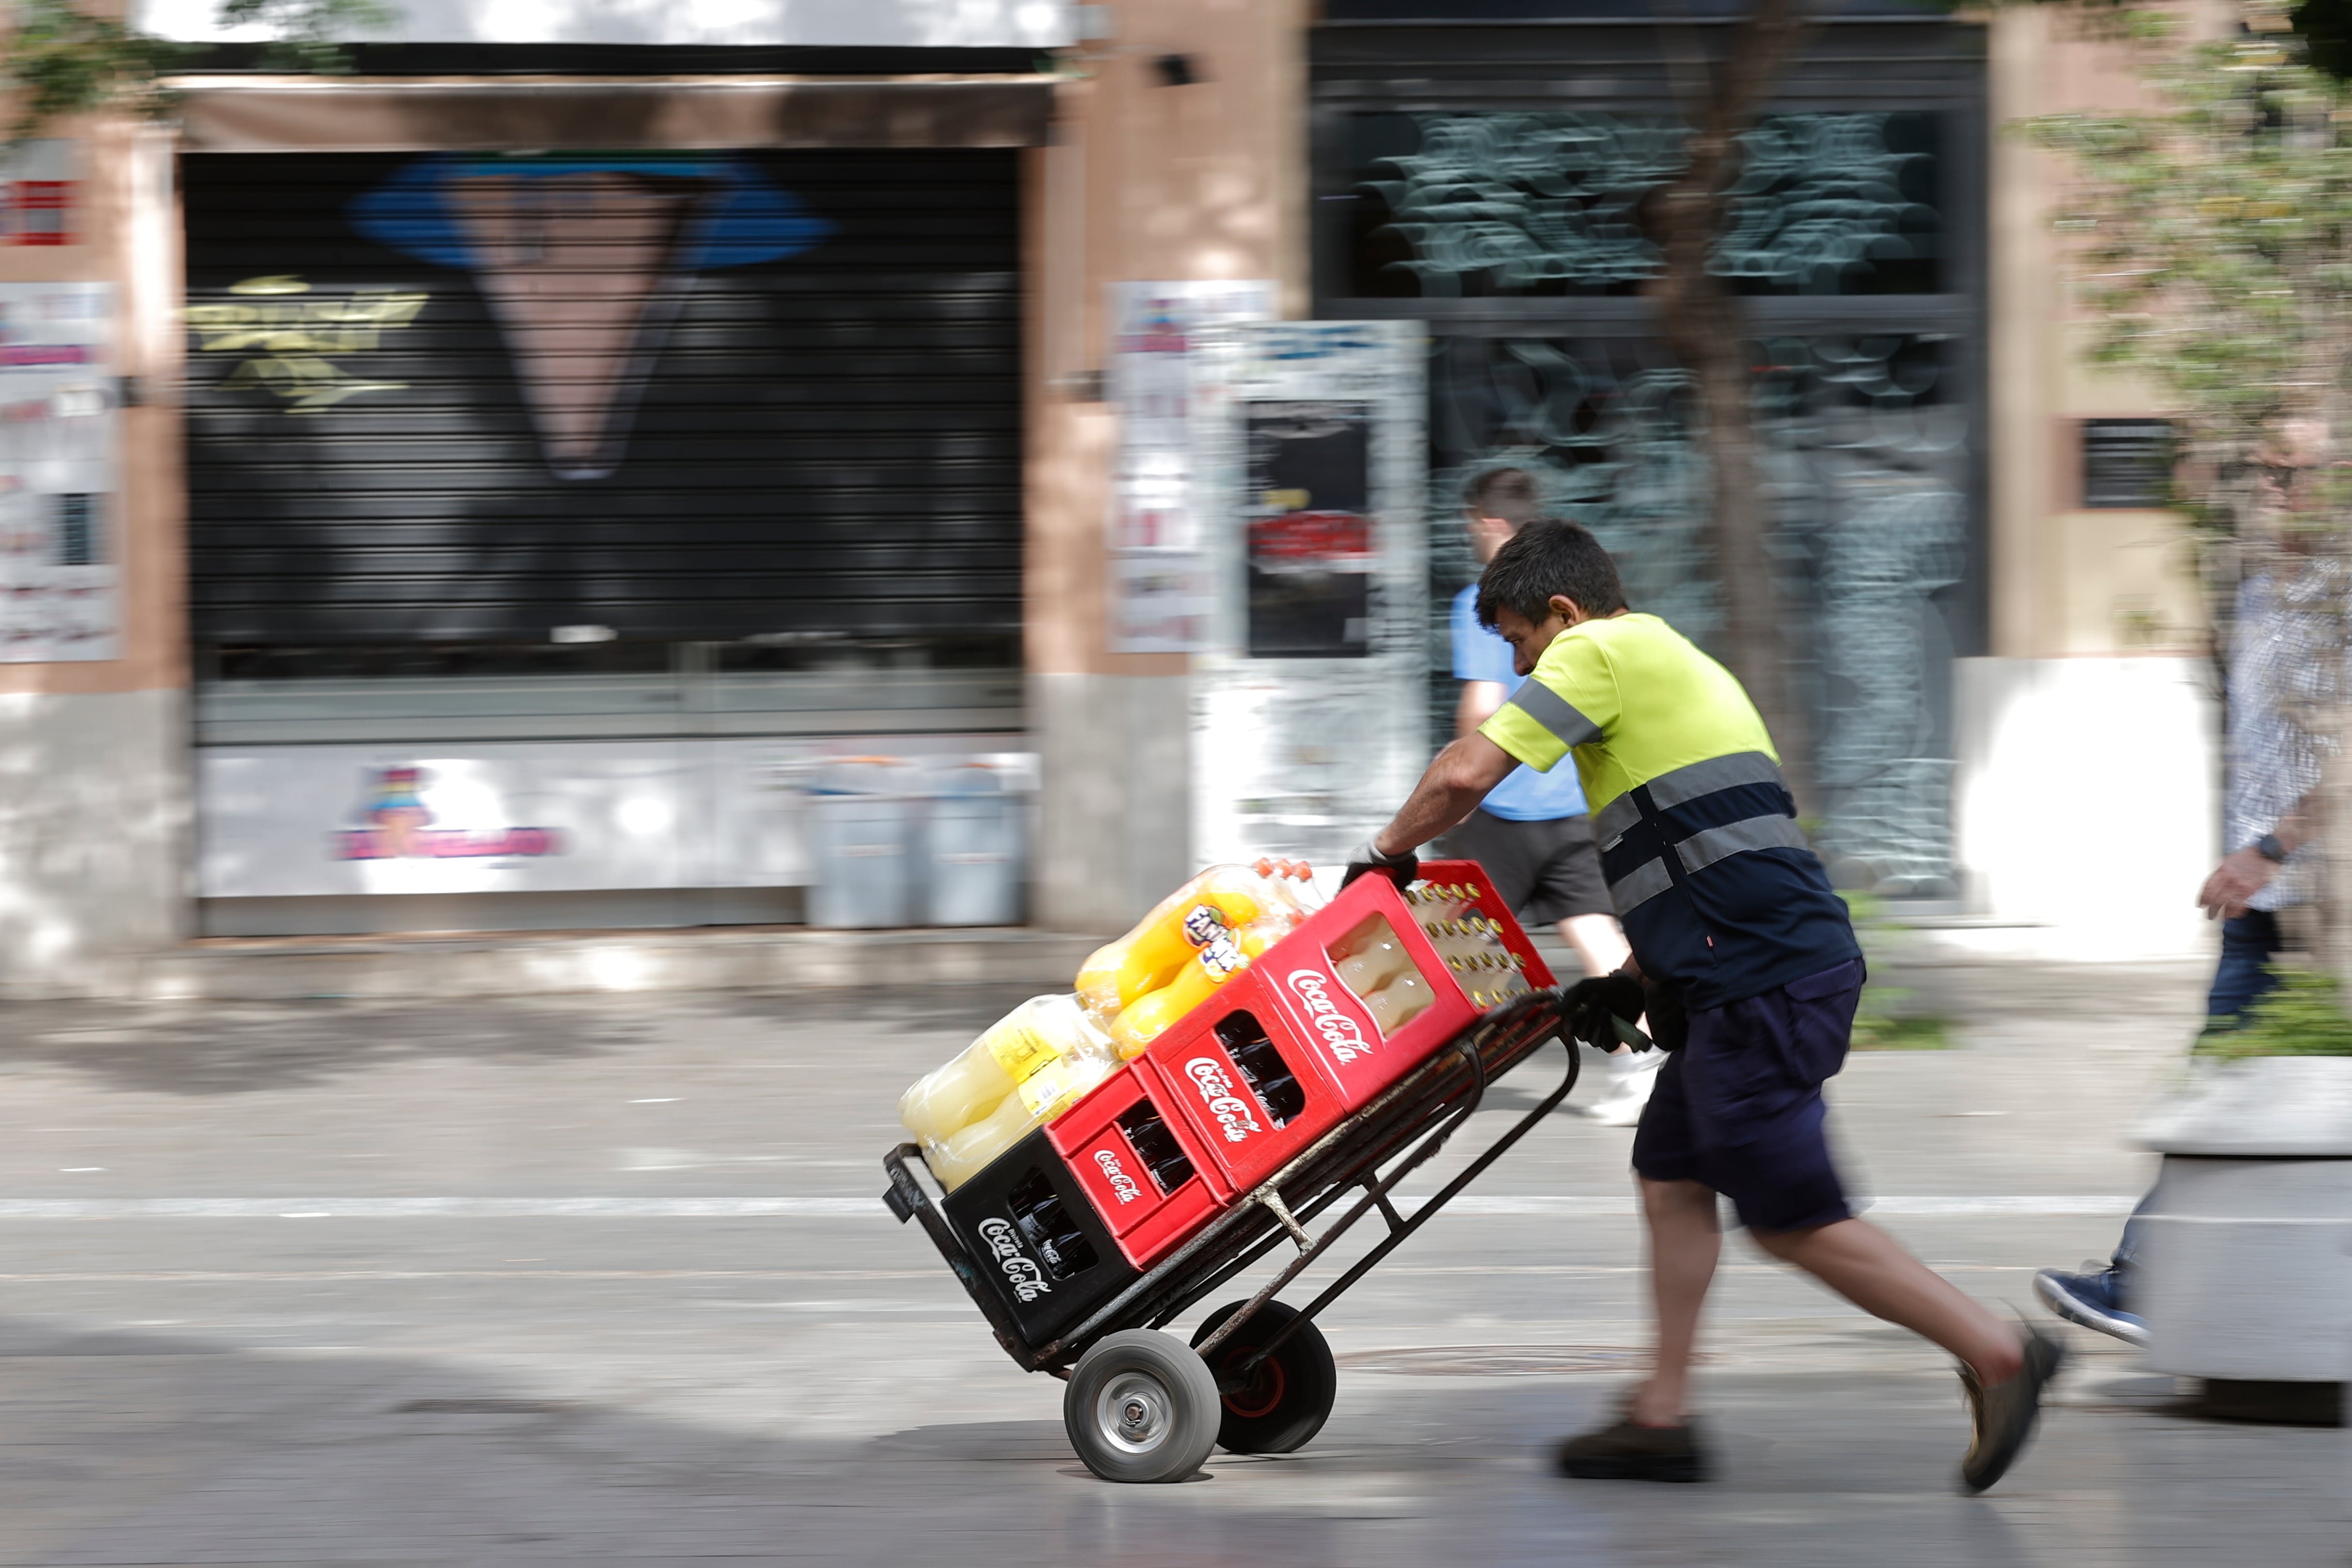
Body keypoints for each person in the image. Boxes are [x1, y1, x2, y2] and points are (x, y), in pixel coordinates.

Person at [1343, 520, 2064, 1492]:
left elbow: (1468, 772)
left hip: (1763, 979)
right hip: (1756, 967)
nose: (1515, 665)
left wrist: (1384, 858)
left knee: (1789, 1218)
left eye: (1518, 641)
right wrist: (1631, 982)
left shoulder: (1600, 648)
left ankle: (1998, 1351)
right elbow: (1708, 856)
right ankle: (1659, 1415)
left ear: (1563, 613)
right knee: (1672, 1172)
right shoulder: (1681, 666)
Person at [2035, 550, 2334, 1345]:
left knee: (2218, 1095)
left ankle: (2146, 1283)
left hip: (2318, 903)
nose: (2275, 490)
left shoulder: (2333, 594)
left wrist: (2271, 846)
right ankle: (2145, 1283)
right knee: (2217, 1094)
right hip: (2267, 903)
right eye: (2267, 470)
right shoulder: (2251, 588)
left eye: (2293, 472)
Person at [1442, 470, 1655, 1124]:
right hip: (1568, 798)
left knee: (1456, 939)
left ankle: (1433, 1065)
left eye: (1470, 523)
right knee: (1590, 924)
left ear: (1486, 522)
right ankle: (1638, 1053)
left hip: (1504, 799)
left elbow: (1482, 704)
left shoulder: (1488, 600)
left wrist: (1462, 788)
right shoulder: (1575, 605)